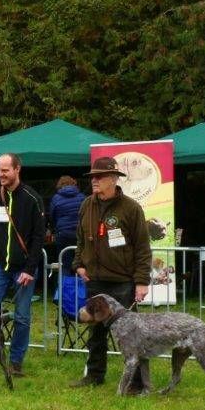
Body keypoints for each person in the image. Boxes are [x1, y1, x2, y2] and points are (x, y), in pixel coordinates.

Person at [70, 157, 152, 392]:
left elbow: (142, 247)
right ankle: (94, 375)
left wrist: (141, 281)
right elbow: (80, 239)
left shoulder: (131, 208)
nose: (94, 180)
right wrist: (78, 264)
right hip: (95, 280)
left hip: (122, 281)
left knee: (131, 335)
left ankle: (137, 383)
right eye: (92, 177)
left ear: (114, 179)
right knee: (95, 332)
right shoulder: (87, 205)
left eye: (99, 176)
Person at [0, 153, 45, 377]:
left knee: (22, 317)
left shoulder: (32, 198)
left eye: (5, 170)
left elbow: (38, 237)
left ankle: (15, 362)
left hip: (24, 268)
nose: (0, 174)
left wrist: (30, 269)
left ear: (17, 169)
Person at [50, 176, 85, 275]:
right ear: (74, 183)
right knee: (81, 263)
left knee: (64, 263)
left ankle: (65, 284)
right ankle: (80, 284)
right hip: (80, 234)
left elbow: (52, 217)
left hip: (63, 235)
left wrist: (54, 230)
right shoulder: (82, 197)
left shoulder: (56, 198)